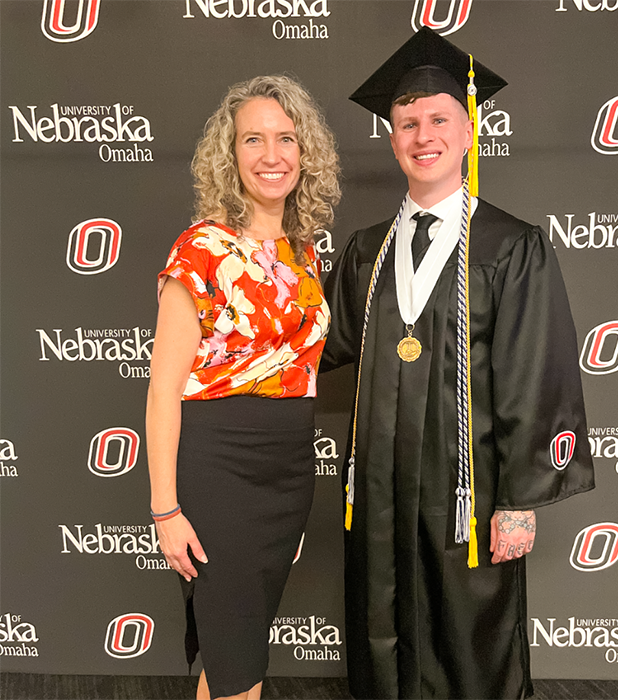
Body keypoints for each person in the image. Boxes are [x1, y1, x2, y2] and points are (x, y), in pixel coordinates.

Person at [321, 27, 595, 700]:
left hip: (467, 490)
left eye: (439, 119)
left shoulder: (511, 245)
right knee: (381, 631)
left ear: (469, 129)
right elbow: (320, 342)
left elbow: (536, 371)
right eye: (407, 122)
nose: (422, 135)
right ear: (392, 139)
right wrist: (228, 305)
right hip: (381, 485)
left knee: (471, 642)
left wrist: (520, 503)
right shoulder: (366, 250)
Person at [146, 75, 340, 700]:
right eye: (252, 139)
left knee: (233, 655)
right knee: (239, 673)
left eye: (286, 138)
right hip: (217, 470)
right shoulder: (200, 250)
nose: (271, 154)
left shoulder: (304, 253)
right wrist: (165, 509)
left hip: (287, 472)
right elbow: (162, 391)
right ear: (229, 156)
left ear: (305, 152)